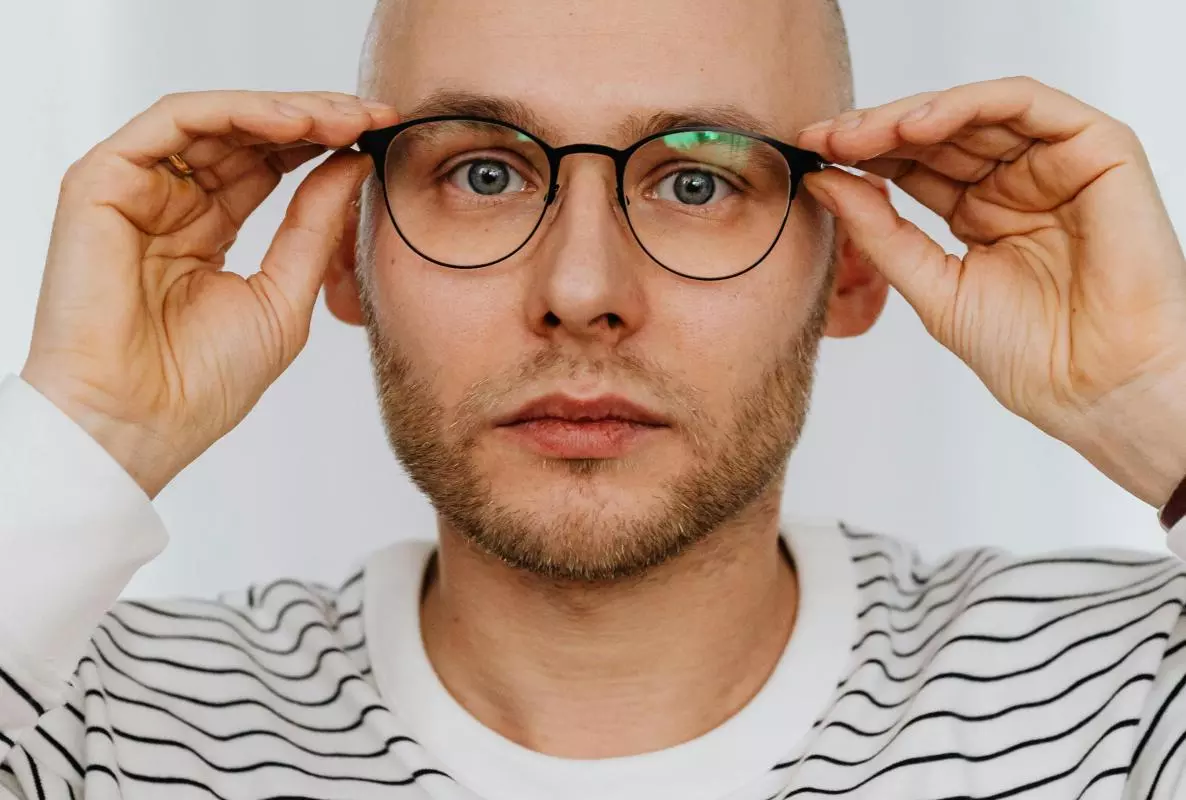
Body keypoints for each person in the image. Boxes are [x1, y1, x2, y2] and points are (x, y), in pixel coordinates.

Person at [3, 0, 1186, 797]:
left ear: (852, 262)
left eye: (693, 177)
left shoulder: (1123, 703)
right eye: (482, 172)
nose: (580, 291)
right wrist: (88, 431)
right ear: (344, 255)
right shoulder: (89, 726)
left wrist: (1162, 402)